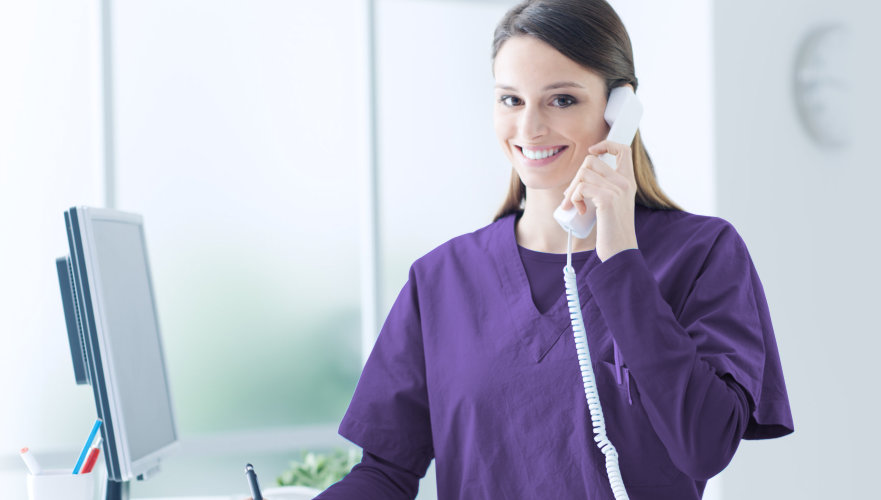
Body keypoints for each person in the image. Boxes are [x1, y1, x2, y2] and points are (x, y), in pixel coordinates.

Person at [316, 1, 792, 498]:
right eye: (511, 100)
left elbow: (705, 446)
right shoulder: (442, 278)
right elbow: (386, 472)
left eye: (561, 100)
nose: (529, 128)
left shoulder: (703, 254)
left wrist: (621, 258)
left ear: (618, 108)